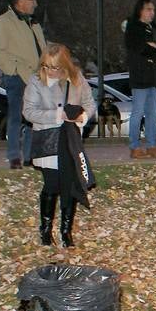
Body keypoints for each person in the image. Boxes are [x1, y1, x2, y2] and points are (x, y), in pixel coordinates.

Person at [24, 43, 95, 247]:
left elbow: (90, 103)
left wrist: (82, 116)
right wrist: (57, 115)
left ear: (64, 65)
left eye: (55, 67)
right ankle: (45, 230)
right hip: (48, 140)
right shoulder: (36, 80)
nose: (50, 71)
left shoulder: (76, 78)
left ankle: (66, 231)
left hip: (70, 140)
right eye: (46, 66)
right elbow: (28, 111)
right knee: (52, 184)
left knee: (70, 185)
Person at [0, 0, 46, 169]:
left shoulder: (33, 22)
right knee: (15, 116)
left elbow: (41, 48)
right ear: (20, 1)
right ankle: (14, 156)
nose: (35, 4)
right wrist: (13, 69)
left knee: (33, 117)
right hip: (16, 76)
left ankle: (31, 156)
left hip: (36, 76)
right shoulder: (2, 22)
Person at [123, 0, 156, 159]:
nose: (152, 13)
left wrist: (155, 46)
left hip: (155, 77)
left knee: (152, 112)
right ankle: (134, 146)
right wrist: (155, 47)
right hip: (140, 76)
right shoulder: (133, 28)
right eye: (149, 9)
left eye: (153, 10)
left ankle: (151, 145)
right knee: (138, 112)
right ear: (140, 10)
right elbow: (140, 48)